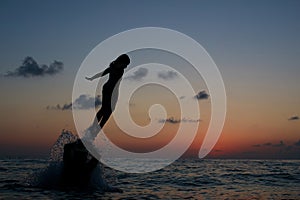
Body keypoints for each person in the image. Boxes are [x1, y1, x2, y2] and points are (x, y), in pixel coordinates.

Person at [84, 54, 130, 140]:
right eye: (125, 64)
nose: (126, 67)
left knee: (109, 112)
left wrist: (92, 78)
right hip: (107, 90)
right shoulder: (113, 68)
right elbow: (102, 74)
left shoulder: (119, 69)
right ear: (121, 62)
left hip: (115, 93)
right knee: (104, 110)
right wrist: (92, 78)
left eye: (127, 65)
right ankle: (93, 128)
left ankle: (95, 133)